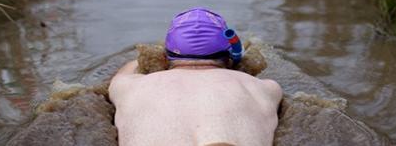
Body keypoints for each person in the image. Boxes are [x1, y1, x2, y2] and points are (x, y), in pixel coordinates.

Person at [108, 8, 283, 146]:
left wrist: (150, 57)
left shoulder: (130, 87)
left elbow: (130, 68)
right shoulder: (265, 88)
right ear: (231, 56)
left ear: (164, 56)